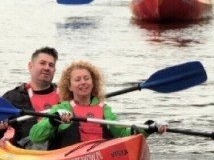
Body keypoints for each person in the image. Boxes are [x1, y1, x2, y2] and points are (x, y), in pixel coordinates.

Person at [28, 60, 167, 150]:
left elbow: (123, 134)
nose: (83, 82)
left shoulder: (104, 110)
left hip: (101, 158)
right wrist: (53, 120)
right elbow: (35, 136)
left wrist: (149, 128)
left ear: (93, 83)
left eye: (86, 78)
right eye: (77, 79)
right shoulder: (61, 109)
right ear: (69, 86)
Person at [0, 46, 60, 149]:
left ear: (54, 70)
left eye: (51, 65)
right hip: (26, 151)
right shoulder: (13, 98)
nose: (47, 68)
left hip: (60, 150)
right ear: (30, 66)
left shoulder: (65, 95)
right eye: (42, 63)